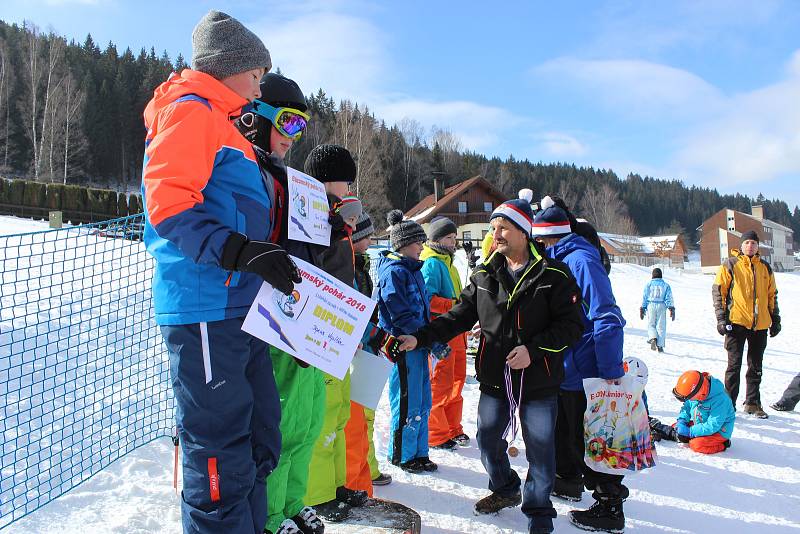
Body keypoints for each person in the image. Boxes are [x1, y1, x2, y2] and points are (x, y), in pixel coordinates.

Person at [141, 11, 300, 534]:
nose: (260, 80)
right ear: (229, 66)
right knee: (219, 454)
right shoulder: (190, 112)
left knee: (258, 439)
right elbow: (168, 206)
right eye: (256, 70)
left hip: (239, 305)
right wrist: (239, 252)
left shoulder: (224, 122)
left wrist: (263, 257)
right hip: (207, 305)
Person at [397, 198, 585, 534]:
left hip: (538, 380)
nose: (495, 234)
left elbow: (572, 326)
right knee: (486, 439)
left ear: (524, 233)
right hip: (496, 378)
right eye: (493, 228)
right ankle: (504, 486)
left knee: (541, 452)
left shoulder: (554, 275)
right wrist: (419, 337)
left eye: (502, 228)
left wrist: (534, 349)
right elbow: (458, 316)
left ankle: (539, 510)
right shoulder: (484, 273)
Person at [233, 73, 325, 534]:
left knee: (304, 427)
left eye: (301, 127)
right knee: (277, 427)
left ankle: (289, 505)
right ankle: (269, 516)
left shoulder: (285, 179)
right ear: (257, 115)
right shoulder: (246, 171)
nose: (295, 137)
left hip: (297, 319)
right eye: (289, 123)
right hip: (265, 322)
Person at [530, 202, 628, 533]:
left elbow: (607, 317)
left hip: (589, 369)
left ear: (548, 238)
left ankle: (609, 507)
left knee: (598, 437)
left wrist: (610, 370)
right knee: (567, 430)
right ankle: (569, 480)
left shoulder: (582, 261)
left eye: (539, 242)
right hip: (566, 367)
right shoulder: (558, 259)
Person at [302, 145, 369, 522]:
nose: (348, 189)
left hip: (339, 331)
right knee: (321, 417)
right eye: (346, 181)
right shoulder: (313, 216)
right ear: (331, 179)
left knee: (341, 413)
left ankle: (336, 484)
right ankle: (317, 493)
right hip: (318, 331)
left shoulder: (336, 219)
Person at [376, 210, 437, 473]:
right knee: (407, 400)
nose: (422, 247)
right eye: (417, 243)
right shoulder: (394, 273)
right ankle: (403, 453)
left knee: (423, 400)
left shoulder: (414, 270)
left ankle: (419, 451)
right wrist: (425, 337)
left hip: (419, 343)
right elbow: (399, 312)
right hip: (402, 346)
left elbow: (422, 309)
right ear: (402, 244)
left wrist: (429, 336)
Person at [345, 212, 393, 497]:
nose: (371, 240)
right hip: (354, 352)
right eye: (366, 235)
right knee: (354, 421)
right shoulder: (347, 266)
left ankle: (367, 471)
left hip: (366, 348)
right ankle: (354, 479)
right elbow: (350, 311)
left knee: (366, 417)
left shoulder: (361, 265)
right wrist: (372, 334)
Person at [712, 230, 781, 419]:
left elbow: (771, 295)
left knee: (755, 366)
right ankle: (729, 405)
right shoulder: (731, 265)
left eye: (753, 243)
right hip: (736, 323)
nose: (750, 246)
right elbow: (719, 292)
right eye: (747, 243)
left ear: (758, 246)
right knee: (734, 366)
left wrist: (775, 319)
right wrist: (721, 318)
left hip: (759, 326)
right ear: (741, 246)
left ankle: (752, 402)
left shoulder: (765, 267)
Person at [421, 216, 470, 450]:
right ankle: (436, 433)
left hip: (457, 330)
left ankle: (452, 426)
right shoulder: (431, 263)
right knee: (440, 381)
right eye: (450, 238)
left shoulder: (448, 261)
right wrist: (454, 305)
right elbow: (429, 300)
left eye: (454, 238)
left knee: (457, 380)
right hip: (443, 331)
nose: (454, 242)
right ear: (438, 239)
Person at [672, 370, 735, 454]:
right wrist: (682, 420)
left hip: (719, 431)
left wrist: (691, 432)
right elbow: (686, 407)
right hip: (701, 423)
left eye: (689, 398)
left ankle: (723, 444)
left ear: (700, 393)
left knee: (696, 444)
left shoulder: (721, 401)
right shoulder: (695, 393)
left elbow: (713, 425)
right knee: (676, 427)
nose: (689, 400)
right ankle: (695, 434)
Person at [640, 267, 675, 353]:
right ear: (661, 276)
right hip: (662, 306)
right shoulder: (666, 285)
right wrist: (671, 308)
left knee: (651, 324)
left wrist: (643, 308)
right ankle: (660, 345)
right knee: (661, 326)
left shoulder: (648, 285)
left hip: (651, 305)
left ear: (652, 275)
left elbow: (645, 297)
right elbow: (668, 297)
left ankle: (652, 338)